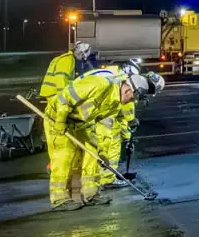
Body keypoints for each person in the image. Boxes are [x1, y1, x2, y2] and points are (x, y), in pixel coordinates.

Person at [44, 67, 141, 210]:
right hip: (59, 118)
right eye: (131, 99)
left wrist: (102, 152)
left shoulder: (115, 103)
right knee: (64, 156)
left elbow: (104, 129)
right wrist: (60, 121)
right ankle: (59, 199)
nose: (129, 103)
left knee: (94, 153)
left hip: (82, 123)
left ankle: (91, 194)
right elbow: (65, 98)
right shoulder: (101, 84)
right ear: (127, 90)